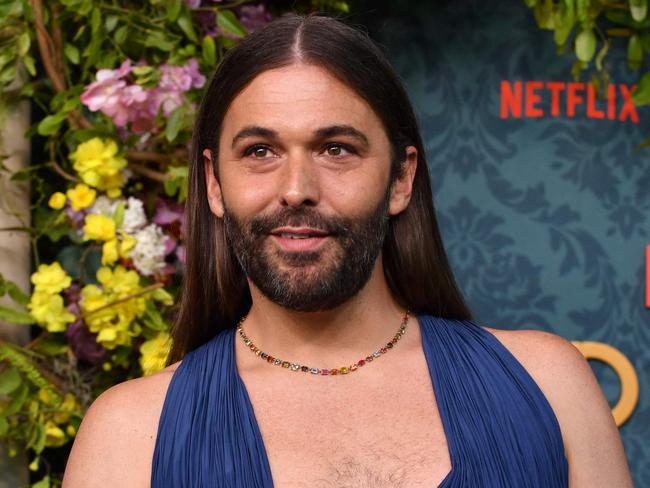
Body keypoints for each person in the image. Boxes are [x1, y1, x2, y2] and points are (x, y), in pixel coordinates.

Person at [62, 12, 633, 488]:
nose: (296, 189)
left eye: (336, 149)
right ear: (214, 183)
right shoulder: (129, 434)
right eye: (260, 151)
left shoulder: (549, 386)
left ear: (401, 178)